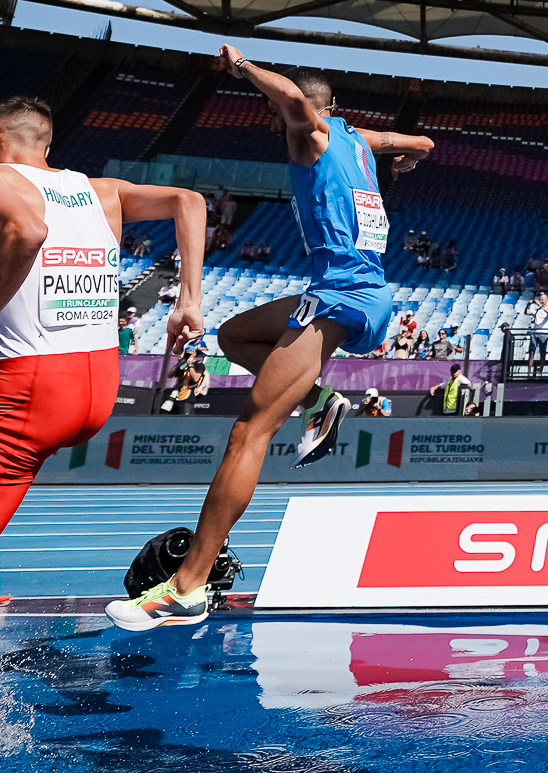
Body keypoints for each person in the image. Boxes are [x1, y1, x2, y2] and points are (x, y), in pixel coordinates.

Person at [0, 97, 206, 765]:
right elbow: (190, 200)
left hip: (27, 392)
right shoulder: (100, 191)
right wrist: (188, 299)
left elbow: (28, 232)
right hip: (94, 388)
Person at [105, 50, 430, 632]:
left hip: (341, 293)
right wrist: (405, 158)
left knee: (248, 433)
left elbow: (295, 101)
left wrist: (245, 68)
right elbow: (425, 142)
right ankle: (320, 400)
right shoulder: (360, 138)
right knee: (235, 335)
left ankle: (187, 586)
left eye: (279, 115)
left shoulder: (313, 136)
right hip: (358, 290)